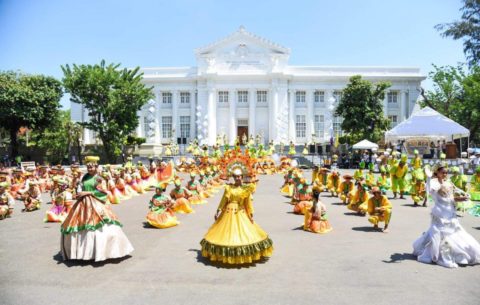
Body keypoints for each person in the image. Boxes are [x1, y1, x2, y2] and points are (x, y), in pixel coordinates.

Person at [60, 156, 134, 262]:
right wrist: (78, 191)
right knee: (79, 225)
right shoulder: (84, 177)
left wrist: (88, 192)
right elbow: (80, 188)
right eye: (88, 167)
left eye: (91, 167)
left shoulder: (99, 178)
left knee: (99, 226)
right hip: (82, 204)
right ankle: (83, 252)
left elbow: (104, 192)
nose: (89, 169)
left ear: (96, 167)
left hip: (96, 204)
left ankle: (100, 252)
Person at [200, 165, 273, 265]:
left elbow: (248, 203)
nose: (237, 178)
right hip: (228, 212)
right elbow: (224, 200)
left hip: (241, 212)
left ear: (242, 177)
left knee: (244, 232)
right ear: (233, 177)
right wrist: (218, 210)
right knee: (226, 233)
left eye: (239, 176)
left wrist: (250, 214)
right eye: (235, 176)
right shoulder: (229, 187)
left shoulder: (246, 189)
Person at [413, 165, 480, 268]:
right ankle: (445, 255)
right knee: (441, 234)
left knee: (455, 231)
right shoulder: (434, 182)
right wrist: (429, 178)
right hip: (440, 213)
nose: (445, 174)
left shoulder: (448, 182)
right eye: (443, 172)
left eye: (446, 172)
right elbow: (429, 190)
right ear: (437, 172)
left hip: (450, 212)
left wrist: (461, 199)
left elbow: (451, 198)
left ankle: (460, 254)